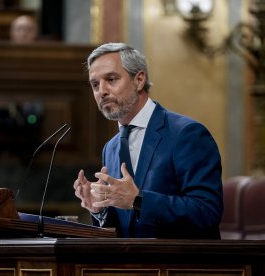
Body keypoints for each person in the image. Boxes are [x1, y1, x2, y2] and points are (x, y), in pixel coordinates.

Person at [73, 42, 223, 239]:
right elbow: (127, 228)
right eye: (95, 84)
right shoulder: (110, 148)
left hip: (182, 264)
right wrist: (99, 209)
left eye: (111, 79)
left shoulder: (187, 134)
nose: (102, 91)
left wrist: (138, 200)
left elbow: (207, 212)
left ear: (139, 80)